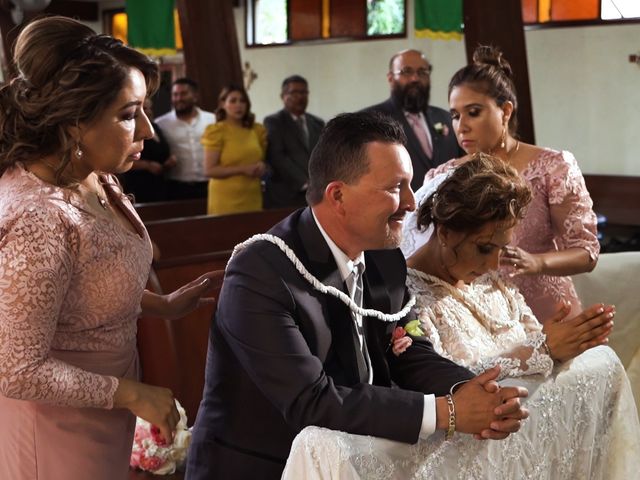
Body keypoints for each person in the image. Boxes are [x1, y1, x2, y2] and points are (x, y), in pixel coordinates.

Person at [186, 112, 529, 480]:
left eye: (410, 185)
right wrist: (448, 412)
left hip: (356, 459)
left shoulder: (385, 258)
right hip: (265, 468)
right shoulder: (260, 272)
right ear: (338, 195)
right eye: (396, 187)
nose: (411, 203)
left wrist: (473, 392)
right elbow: (311, 400)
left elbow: (410, 352)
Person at [0, 17, 222, 480]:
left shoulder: (95, 176)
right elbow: (16, 367)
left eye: (144, 110)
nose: (148, 130)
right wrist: (133, 394)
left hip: (100, 412)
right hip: (55, 425)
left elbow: (78, 286)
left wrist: (157, 305)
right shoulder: (39, 218)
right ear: (74, 121)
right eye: (128, 114)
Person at [387, 154, 639, 478]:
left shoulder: (491, 281)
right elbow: (448, 386)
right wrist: (542, 350)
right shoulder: (405, 297)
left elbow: (533, 339)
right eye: (483, 248)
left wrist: (558, 341)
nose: (494, 265)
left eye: (501, 249)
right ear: (446, 232)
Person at [404, 45, 599, 322]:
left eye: (473, 112)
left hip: (547, 314)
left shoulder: (553, 167)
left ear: (505, 111)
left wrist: (537, 262)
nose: (462, 126)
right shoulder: (441, 176)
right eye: (456, 115)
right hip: (477, 323)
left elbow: (587, 252)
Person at [362, 49, 462, 190]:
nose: (415, 79)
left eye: (422, 72)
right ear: (390, 78)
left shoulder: (447, 118)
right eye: (406, 72)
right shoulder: (370, 121)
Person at [201, 85, 267, 215]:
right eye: (233, 101)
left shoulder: (256, 130)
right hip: (225, 198)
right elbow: (209, 170)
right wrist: (243, 169)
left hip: (252, 195)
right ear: (223, 104)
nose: (239, 105)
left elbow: (260, 158)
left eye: (242, 101)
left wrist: (262, 166)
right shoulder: (216, 131)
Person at [263, 75, 325, 208]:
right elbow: (278, 157)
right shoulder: (274, 122)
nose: (300, 97)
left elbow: (324, 155)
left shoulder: (317, 123)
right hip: (286, 194)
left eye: (304, 92)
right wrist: (305, 182)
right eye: (294, 92)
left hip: (315, 195)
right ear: (283, 96)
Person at [156, 78, 215, 200]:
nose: (178, 98)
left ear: (195, 96)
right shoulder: (161, 124)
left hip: (210, 184)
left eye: (183, 94)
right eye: (175, 95)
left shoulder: (212, 120)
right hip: (176, 187)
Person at [119, 98, 176, 203]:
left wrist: (168, 161)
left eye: (149, 108)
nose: (149, 111)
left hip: (159, 183)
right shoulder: (130, 130)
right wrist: (148, 165)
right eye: (144, 108)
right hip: (139, 183)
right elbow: (121, 159)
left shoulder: (155, 127)